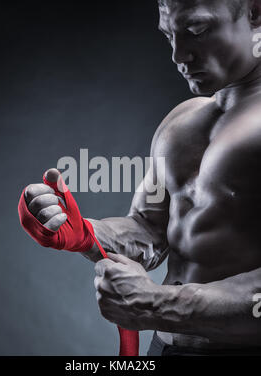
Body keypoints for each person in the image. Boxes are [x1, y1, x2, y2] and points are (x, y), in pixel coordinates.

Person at [20, 0, 261, 355]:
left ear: (256, 13)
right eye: (170, 36)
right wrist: (84, 232)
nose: (179, 55)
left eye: (197, 31)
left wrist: (158, 304)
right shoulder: (182, 121)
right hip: (164, 347)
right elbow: (149, 229)